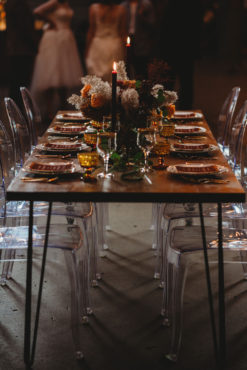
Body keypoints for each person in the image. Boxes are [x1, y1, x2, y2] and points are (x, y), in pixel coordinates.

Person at [30, 0, 83, 122]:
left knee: (65, 75)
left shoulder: (66, 3)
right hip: (54, 39)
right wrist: (50, 21)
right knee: (52, 75)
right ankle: (49, 110)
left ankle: (62, 107)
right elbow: (37, 11)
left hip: (66, 38)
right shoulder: (54, 2)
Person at [159, 0, 203, 109]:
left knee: (178, 82)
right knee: (184, 82)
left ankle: (171, 109)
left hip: (175, 48)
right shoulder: (194, 4)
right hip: (184, 48)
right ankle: (180, 108)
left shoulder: (173, 4)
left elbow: (165, 25)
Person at [5, 0, 38, 108]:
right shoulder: (19, 5)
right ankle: (19, 110)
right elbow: (25, 27)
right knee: (21, 82)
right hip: (22, 48)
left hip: (15, 48)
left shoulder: (10, 4)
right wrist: (34, 44)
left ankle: (15, 109)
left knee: (15, 82)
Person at [85, 0, 127, 82]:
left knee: (97, 77)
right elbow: (122, 32)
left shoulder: (93, 8)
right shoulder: (121, 9)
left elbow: (91, 31)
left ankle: (97, 94)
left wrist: (87, 49)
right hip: (115, 45)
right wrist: (125, 50)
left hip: (97, 45)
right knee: (113, 77)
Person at [121, 0, 156, 80]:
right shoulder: (123, 5)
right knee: (126, 69)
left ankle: (140, 89)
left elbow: (152, 24)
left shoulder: (146, 5)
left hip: (141, 41)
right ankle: (129, 90)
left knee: (140, 69)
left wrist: (142, 16)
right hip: (127, 38)